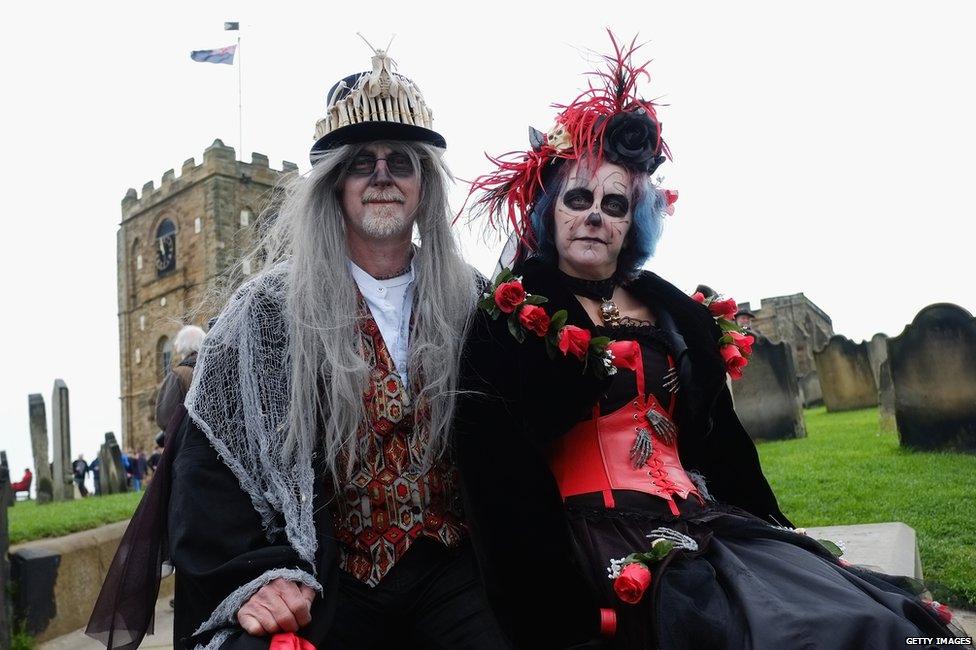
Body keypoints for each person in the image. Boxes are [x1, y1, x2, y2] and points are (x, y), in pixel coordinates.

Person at [455, 35, 967, 649]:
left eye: (615, 204)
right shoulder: (510, 315)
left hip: (703, 525)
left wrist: (777, 529)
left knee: (860, 621)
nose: (595, 214)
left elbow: (721, 444)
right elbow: (495, 472)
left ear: (632, 225)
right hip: (596, 540)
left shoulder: (671, 310)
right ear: (549, 213)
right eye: (579, 198)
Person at [88, 44, 507, 650]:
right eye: (363, 162)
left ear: (423, 186)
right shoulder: (266, 311)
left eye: (401, 162)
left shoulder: (472, 298)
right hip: (334, 575)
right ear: (336, 184)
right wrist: (260, 578)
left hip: (453, 571)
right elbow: (209, 466)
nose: (383, 175)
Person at [156, 325, 205, 431]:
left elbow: (164, 417)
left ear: (181, 346)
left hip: (190, 443)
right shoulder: (215, 369)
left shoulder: (178, 374)